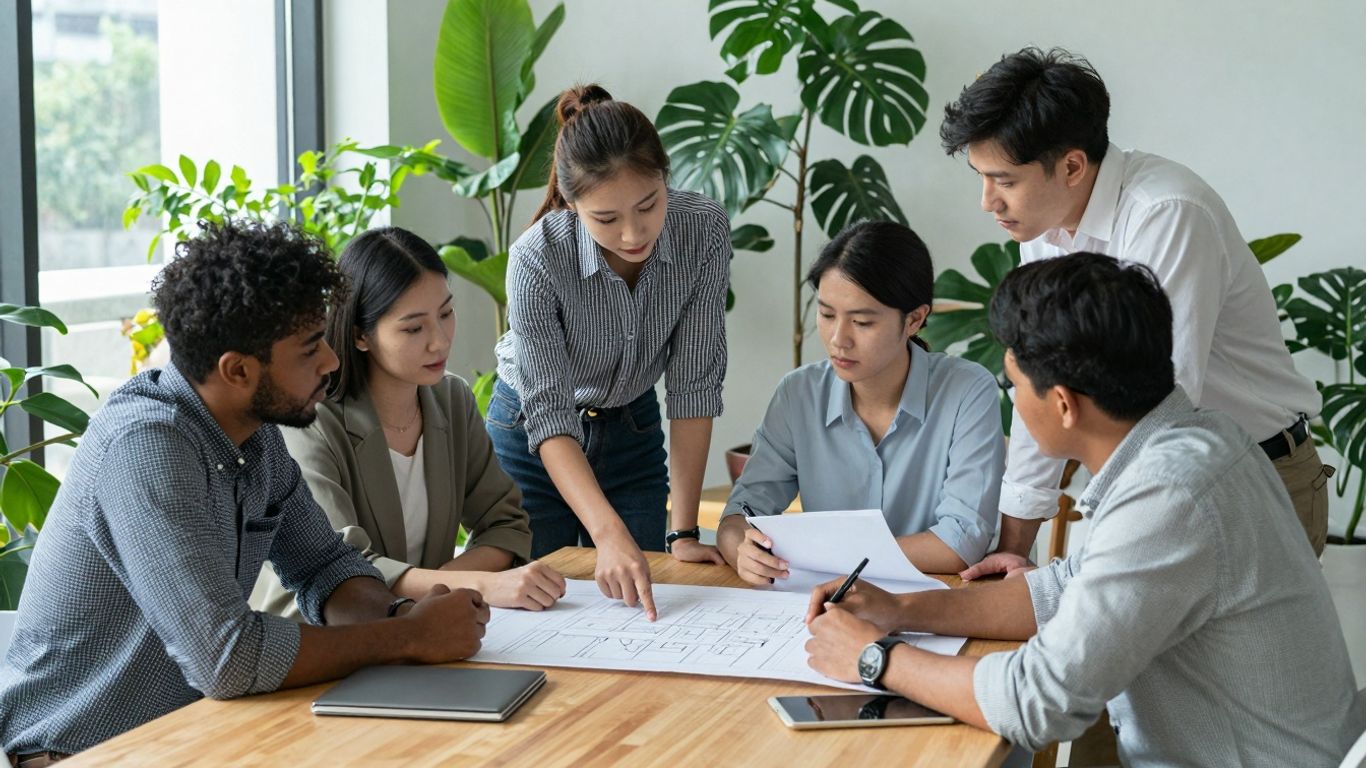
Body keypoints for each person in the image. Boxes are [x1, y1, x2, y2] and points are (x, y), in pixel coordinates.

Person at [803, 253, 1362, 766]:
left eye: (1014, 384)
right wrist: (900, 608)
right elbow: (1065, 589)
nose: (1013, 403)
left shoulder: (1171, 491)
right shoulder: (1197, 437)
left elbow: (1038, 704)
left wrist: (874, 659)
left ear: (1064, 404)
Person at [0, 220, 490, 763]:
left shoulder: (254, 437)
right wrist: (408, 640)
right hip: (81, 754)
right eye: (309, 351)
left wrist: (400, 618)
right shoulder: (146, 449)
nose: (331, 362)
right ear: (237, 370)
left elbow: (324, 567)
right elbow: (226, 656)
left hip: (194, 736)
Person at [939, 47, 1329, 580]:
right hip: (1163, 481)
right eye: (981, 178)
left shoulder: (1167, 214)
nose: (988, 202)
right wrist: (1014, 548)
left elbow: (1160, 402)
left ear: (1072, 165)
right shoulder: (1044, 225)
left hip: (1254, 476)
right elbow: (1040, 382)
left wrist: (1085, 566)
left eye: (1004, 180)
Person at [487, 84, 731, 622]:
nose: (632, 232)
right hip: (532, 440)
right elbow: (548, 414)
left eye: (649, 205)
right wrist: (606, 533)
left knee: (645, 604)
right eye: (605, 218)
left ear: (666, 178)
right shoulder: (536, 259)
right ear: (572, 205)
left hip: (631, 429)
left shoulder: (703, 231)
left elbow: (694, 383)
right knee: (538, 614)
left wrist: (685, 530)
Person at [251, 226, 566, 618]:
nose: (440, 341)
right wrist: (475, 584)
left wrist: (441, 587)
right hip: (321, 636)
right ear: (360, 336)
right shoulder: (310, 422)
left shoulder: (451, 399)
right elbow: (342, 569)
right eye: (414, 328)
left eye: (446, 313)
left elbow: (505, 523)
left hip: (416, 631)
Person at [716, 221, 1004, 581]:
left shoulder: (967, 390)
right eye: (826, 314)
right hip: (825, 607)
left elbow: (959, 544)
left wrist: (826, 554)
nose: (839, 339)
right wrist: (741, 549)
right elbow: (740, 514)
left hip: (939, 605)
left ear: (914, 320)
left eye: (863, 322)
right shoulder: (798, 394)